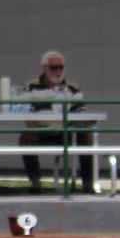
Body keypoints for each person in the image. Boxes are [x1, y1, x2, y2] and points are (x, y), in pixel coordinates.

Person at [21, 50, 86, 194]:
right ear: (44, 69)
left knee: (86, 135)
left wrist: (85, 118)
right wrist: (32, 124)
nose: (58, 71)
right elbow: (26, 112)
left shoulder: (72, 87)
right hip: (41, 130)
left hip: (66, 132)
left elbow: (81, 110)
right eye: (54, 67)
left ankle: (88, 183)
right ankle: (35, 182)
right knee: (26, 135)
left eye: (61, 67)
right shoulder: (31, 86)